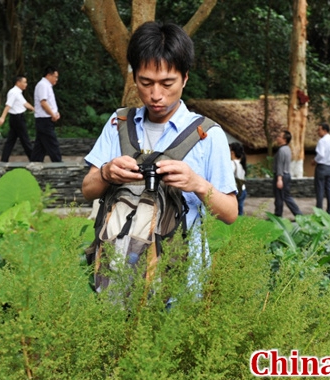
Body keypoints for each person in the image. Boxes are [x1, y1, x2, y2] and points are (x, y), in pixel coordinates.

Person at [82, 21, 237, 278]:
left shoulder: (207, 135)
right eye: (146, 82)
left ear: (185, 77)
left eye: (167, 83)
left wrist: (197, 183)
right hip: (118, 276)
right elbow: (88, 189)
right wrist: (107, 173)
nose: (156, 95)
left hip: (181, 283)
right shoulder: (118, 124)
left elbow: (230, 213)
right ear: (134, 78)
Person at [0, 75, 34, 162]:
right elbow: (8, 106)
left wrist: (35, 110)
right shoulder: (13, 92)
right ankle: (33, 159)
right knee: (25, 139)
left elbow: (25, 104)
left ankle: (4, 159)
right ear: (18, 82)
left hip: (17, 118)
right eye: (24, 82)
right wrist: (2, 117)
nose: (26, 84)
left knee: (11, 140)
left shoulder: (18, 93)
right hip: (17, 119)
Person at [30, 66, 62, 162]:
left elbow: (49, 103)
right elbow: (43, 102)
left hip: (45, 119)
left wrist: (55, 113)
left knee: (40, 147)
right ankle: (59, 164)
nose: (56, 79)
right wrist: (53, 114)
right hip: (44, 120)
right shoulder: (43, 85)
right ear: (49, 75)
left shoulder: (46, 85)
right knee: (52, 144)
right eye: (55, 77)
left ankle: (34, 163)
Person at [311, 122, 330, 215]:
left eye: (319, 130)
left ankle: (319, 211)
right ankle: (329, 211)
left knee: (320, 189)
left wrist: (314, 161)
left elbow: (321, 154)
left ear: (325, 130)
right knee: (329, 189)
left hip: (322, 167)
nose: (318, 132)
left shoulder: (322, 141)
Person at [273, 130, 302, 217]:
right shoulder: (287, 149)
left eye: (279, 136)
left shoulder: (282, 150)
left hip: (281, 176)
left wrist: (279, 179)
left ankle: (297, 214)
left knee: (281, 197)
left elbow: (280, 166)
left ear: (284, 139)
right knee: (285, 196)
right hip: (286, 175)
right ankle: (297, 215)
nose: (277, 138)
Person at [230, 142, 247, 216]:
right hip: (243, 190)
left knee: (234, 213)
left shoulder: (232, 163)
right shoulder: (242, 163)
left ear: (232, 152)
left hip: (236, 191)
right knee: (240, 213)